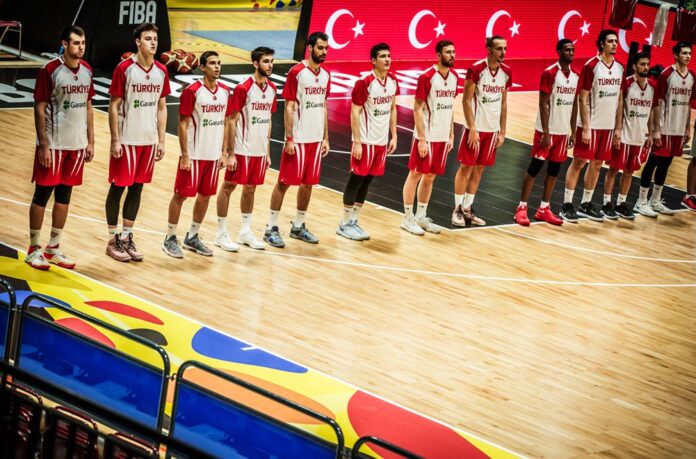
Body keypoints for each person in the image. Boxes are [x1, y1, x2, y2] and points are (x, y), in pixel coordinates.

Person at [26, 25, 94, 270]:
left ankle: (53, 247)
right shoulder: (50, 70)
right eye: (76, 43)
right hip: (53, 145)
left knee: (64, 197)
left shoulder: (87, 70)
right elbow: (39, 107)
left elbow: (88, 107)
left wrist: (91, 141)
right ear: (64, 44)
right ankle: (33, 248)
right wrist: (43, 144)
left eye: (83, 43)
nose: (81, 47)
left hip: (76, 146)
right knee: (42, 196)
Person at [105, 22, 170, 261]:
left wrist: (161, 140)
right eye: (148, 39)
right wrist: (115, 139)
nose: (153, 43)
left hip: (148, 140)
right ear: (137, 42)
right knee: (118, 187)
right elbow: (114, 106)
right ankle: (112, 239)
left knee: (137, 187)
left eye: (155, 39)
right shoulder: (124, 69)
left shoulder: (161, 70)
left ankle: (126, 237)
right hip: (127, 139)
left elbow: (161, 107)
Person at [263, 32, 330, 248]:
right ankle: (271, 227)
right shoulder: (297, 72)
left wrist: (325, 137)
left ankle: (298, 226)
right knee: (284, 183)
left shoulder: (326, 74)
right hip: (299, 139)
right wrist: (289, 138)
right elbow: (289, 106)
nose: (324, 52)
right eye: (320, 48)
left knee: (308, 184)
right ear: (310, 48)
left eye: (326, 48)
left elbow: (324, 105)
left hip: (316, 139)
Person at [162, 51, 231, 258]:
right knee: (181, 195)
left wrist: (224, 153)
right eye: (212, 63)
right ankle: (169, 237)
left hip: (213, 156)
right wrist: (185, 155)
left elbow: (226, 122)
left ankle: (192, 236)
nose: (217, 67)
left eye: (219, 63)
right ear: (202, 67)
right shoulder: (192, 91)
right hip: (194, 155)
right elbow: (182, 124)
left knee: (205, 196)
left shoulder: (225, 91)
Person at [215, 47, 277, 251]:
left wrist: (267, 151)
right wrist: (229, 153)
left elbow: (268, 120)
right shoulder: (243, 88)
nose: (270, 65)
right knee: (228, 187)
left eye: (271, 61)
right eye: (266, 61)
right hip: (241, 150)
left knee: (251, 189)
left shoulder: (272, 89)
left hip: (259, 150)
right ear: (255, 64)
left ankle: (245, 231)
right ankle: (221, 233)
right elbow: (231, 121)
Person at [560, 30, 624, 223]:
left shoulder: (620, 68)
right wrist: (586, 127)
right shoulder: (591, 66)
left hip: (608, 126)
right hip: (591, 125)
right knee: (579, 162)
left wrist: (618, 128)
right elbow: (583, 97)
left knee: (597, 164)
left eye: (616, 41)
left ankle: (585, 203)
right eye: (610, 41)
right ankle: (567, 204)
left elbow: (620, 100)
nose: (615, 44)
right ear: (602, 44)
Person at [337, 43, 398, 241]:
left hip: (381, 141)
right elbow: (354, 112)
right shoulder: (365, 82)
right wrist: (357, 141)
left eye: (389, 56)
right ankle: (344, 223)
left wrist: (394, 135)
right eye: (383, 56)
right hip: (365, 141)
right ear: (373, 60)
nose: (387, 59)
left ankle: (354, 221)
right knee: (356, 179)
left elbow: (393, 108)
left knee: (368, 180)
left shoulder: (393, 81)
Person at [514, 39, 578, 226]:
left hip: (563, 132)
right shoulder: (550, 73)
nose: (571, 53)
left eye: (573, 50)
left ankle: (544, 208)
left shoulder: (576, 75)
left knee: (554, 171)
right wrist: (546, 132)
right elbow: (543, 103)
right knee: (534, 168)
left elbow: (574, 105)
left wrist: (573, 131)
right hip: (546, 131)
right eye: (567, 50)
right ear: (559, 51)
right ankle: (521, 207)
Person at [453, 35, 512, 227]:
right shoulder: (476, 69)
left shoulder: (506, 72)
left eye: (505, 48)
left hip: (492, 130)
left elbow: (503, 103)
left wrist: (502, 131)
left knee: (479, 168)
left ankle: (468, 209)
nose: (503, 52)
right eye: (499, 48)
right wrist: (472, 128)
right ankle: (457, 209)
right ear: (489, 50)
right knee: (466, 167)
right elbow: (466, 101)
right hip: (476, 128)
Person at [401, 40, 458, 235]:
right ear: (438, 55)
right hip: (426, 136)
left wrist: (451, 133)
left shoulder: (454, 77)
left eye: (453, 52)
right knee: (415, 174)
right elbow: (417, 108)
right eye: (448, 52)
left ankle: (420, 216)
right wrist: (422, 139)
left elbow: (450, 107)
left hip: (442, 137)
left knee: (431, 176)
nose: (452, 55)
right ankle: (407, 219)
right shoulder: (427, 77)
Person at [636, 41, 695, 216]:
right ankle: (641, 201)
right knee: (653, 162)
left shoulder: (692, 76)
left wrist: (687, 129)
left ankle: (655, 200)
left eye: (689, 53)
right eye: (684, 53)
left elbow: (688, 105)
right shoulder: (666, 75)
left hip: (678, 129)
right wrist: (656, 130)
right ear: (675, 55)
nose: (687, 56)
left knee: (666, 164)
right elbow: (657, 104)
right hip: (664, 128)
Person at [603, 52, 655, 219]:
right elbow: (618, 107)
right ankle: (606, 203)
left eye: (647, 64)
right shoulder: (626, 83)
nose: (646, 67)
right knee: (613, 169)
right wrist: (617, 130)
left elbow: (651, 112)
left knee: (629, 171)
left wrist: (651, 133)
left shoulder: (652, 87)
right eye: (642, 64)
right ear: (634, 66)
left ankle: (621, 203)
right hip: (624, 134)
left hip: (639, 136)